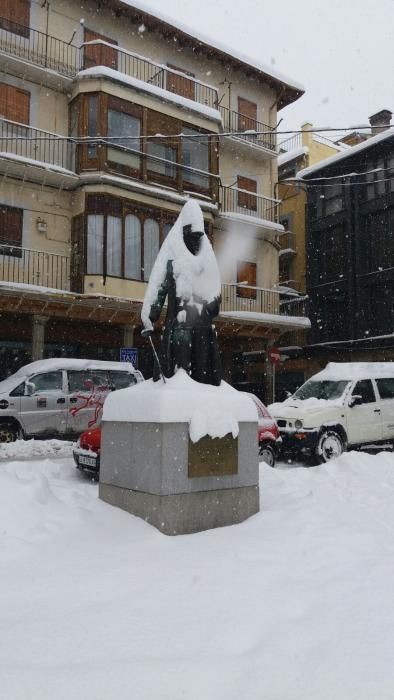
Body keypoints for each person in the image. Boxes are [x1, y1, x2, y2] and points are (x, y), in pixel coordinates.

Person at [141, 200, 222, 386]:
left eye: (198, 237)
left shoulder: (207, 258)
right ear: (184, 232)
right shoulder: (170, 254)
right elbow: (158, 287)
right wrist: (149, 316)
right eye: (191, 236)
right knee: (180, 376)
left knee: (203, 378)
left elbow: (216, 295)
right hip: (179, 329)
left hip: (203, 330)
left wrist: (210, 304)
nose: (195, 241)